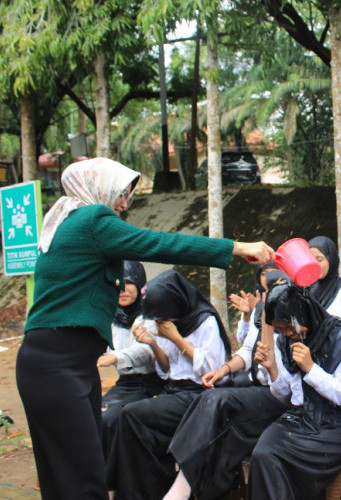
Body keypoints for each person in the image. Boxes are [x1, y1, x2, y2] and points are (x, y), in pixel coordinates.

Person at [15, 158, 273, 500]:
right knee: (82, 479)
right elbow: (160, 243)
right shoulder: (92, 220)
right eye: (121, 194)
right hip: (58, 363)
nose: (124, 203)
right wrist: (238, 247)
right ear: (99, 189)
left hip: (62, 361)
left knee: (64, 476)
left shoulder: (64, 221)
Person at [162, 272, 291, 500]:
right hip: (257, 387)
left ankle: (180, 491)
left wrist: (270, 321)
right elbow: (248, 349)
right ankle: (186, 482)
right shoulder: (261, 310)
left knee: (219, 402)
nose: (269, 291)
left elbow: (279, 372)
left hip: (279, 394)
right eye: (267, 286)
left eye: (276, 286)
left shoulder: (292, 313)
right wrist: (223, 369)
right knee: (209, 397)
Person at [106, 270, 230, 499]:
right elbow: (167, 368)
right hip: (173, 390)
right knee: (128, 419)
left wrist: (176, 338)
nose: (164, 321)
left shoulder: (204, 320)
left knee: (132, 416)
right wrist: (153, 342)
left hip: (200, 395)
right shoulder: (169, 322)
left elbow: (212, 372)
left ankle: (141, 491)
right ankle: (136, 490)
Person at [246, 281, 341, 500]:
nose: (288, 334)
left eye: (290, 327)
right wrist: (272, 368)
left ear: (305, 313)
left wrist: (311, 369)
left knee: (275, 457)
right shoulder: (285, 341)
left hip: (334, 425)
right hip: (299, 419)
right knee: (263, 453)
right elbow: (287, 396)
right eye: (280, 330)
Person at [99, 261, 163, 459]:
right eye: (117, 284)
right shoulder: (111, 316)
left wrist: (115, 357)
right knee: (93, 416)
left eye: (128, 283)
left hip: (151, 382)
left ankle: (116, 474)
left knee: (111, 418)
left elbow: (146, 350)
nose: (122, 290)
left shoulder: (151, 313)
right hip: (125, 384)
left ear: (139, 283)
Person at [308, 236, 341, 329]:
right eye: (311, 259)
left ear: (331, 260)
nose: (315, 264)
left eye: (319, 259)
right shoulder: (307, 291)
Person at [229, 261, 277, 345]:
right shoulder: (253, 300)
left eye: (273, 273)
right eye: (264, 274)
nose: (268, 278)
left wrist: (260, 312)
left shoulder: (289, 299)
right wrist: (247, 316)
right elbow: (242, 340)